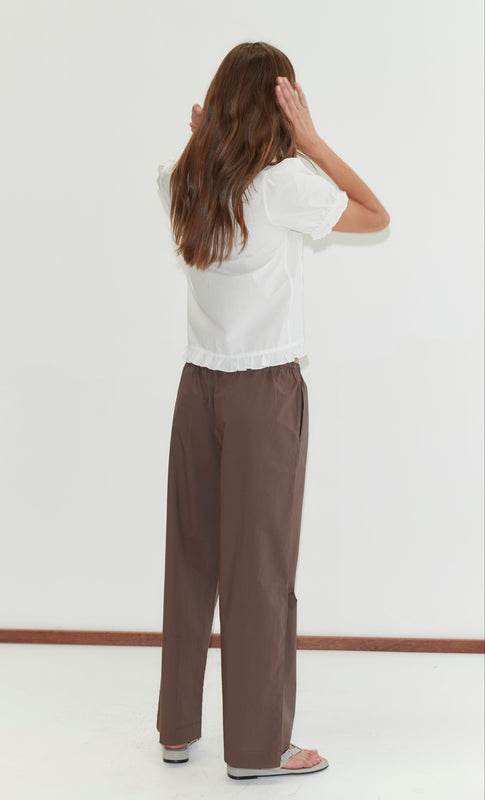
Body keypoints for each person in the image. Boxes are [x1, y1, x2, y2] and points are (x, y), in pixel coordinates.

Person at [155, 41, 390, 780]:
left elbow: (198, 166)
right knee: (257, 570)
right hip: (263, 395)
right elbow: (374, 213)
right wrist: (312, 141)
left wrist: (203, 138)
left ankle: (176, 729)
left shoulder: (182, 178)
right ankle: (257, 749)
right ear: (277, 108)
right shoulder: (284, 184)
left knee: (191, 560)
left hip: (196, 393)